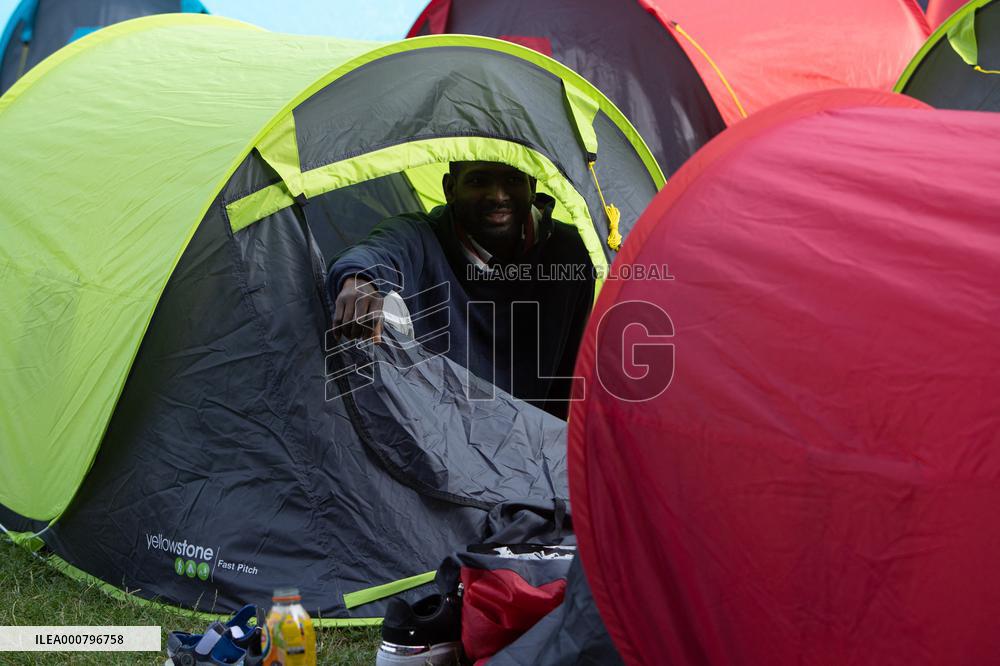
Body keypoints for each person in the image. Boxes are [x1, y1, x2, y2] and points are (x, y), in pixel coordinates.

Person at [327, 161, 594, 418]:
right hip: (439, 434)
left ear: (532, 186)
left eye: (513, 180)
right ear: (450, 189)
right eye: (479, 181)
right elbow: (379, 251)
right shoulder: (422, 236)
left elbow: (566, 377)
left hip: (531, 440)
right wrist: (359, 281)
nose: (498, 196)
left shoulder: (572, 252)